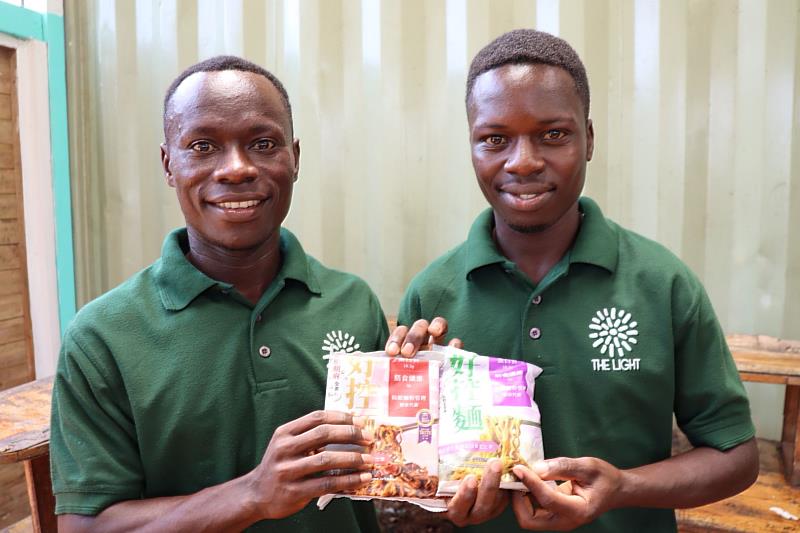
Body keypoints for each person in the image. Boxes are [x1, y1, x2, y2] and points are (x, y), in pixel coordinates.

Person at [389, 29, 759, 532]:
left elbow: (735, 455)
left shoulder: (662, 283)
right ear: (472, 146)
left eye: (553, 134)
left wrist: (624, 488)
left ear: (590, 139)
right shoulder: (433, 295)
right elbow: (406, 473)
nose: (523, 161)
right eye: (495, 139)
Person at [50, 55, 424, 532]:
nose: (236, 169)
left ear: (295, 157)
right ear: (169, 164)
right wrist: (252, 495)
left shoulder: (351, 302)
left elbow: (387, 467)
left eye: (263, 143)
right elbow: (85, 528)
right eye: (203, 146)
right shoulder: (103, 336)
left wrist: (443, 399)